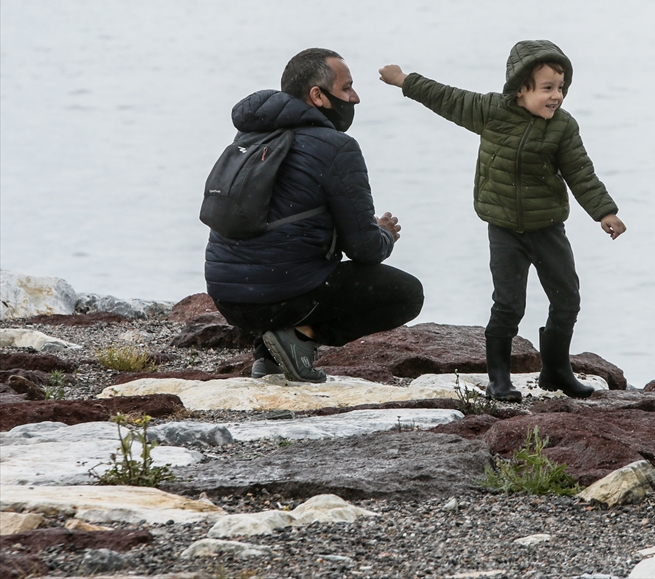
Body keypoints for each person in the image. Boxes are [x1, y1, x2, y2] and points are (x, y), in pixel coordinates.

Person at [379, 40, 625, 402]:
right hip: (504, 229)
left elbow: (581, 172)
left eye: (560, 88)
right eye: (547, 88)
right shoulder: (491, 111)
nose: (556, 96)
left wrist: (605, 211)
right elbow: (446, 97)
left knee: (567, 299)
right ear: (521, 88)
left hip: (548, 229)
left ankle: (556, 371)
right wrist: (403, 79)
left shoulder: (563, 127)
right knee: (509, 304)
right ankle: (498, 378)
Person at [205, 48, 423, 383]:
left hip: (228, 297)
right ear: (317, 96)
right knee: (405, 293)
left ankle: (269, 355)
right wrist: (384, 235)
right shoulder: (337, 147)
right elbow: (364, 248)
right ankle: (301, 337)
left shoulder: (249, 137)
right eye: (347, 88)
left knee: (278, 258)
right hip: (278, 297)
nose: (355, 98)